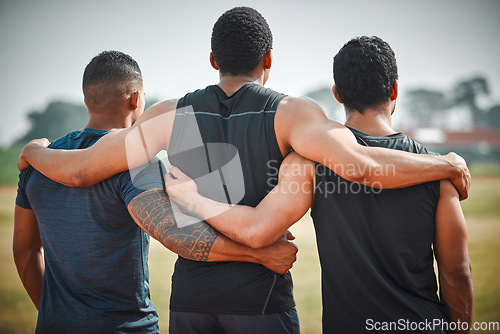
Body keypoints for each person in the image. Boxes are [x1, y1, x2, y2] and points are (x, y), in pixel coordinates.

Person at [17, 7, 470, 333]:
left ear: (213, 60)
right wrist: (444, 162)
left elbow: (80, 171)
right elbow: (363, 164)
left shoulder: (168, 115)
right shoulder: (292, 113)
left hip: (190, 301)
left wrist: (34, 153)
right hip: (261, 302)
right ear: (268, 59)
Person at [165, 36, 474, 334]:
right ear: (394, 90)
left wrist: (193, 200)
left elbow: (257, 228)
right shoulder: (440, 172)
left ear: (337, 93)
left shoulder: (309, 163)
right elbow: (457, 273)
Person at [13, 50, 297, 333]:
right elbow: (174, 234)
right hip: (125, 327)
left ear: (88, 98)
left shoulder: (39, 164)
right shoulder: (135, 162)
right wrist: (260, 254)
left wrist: (57, 316)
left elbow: (25, 252)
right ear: (135, 98)